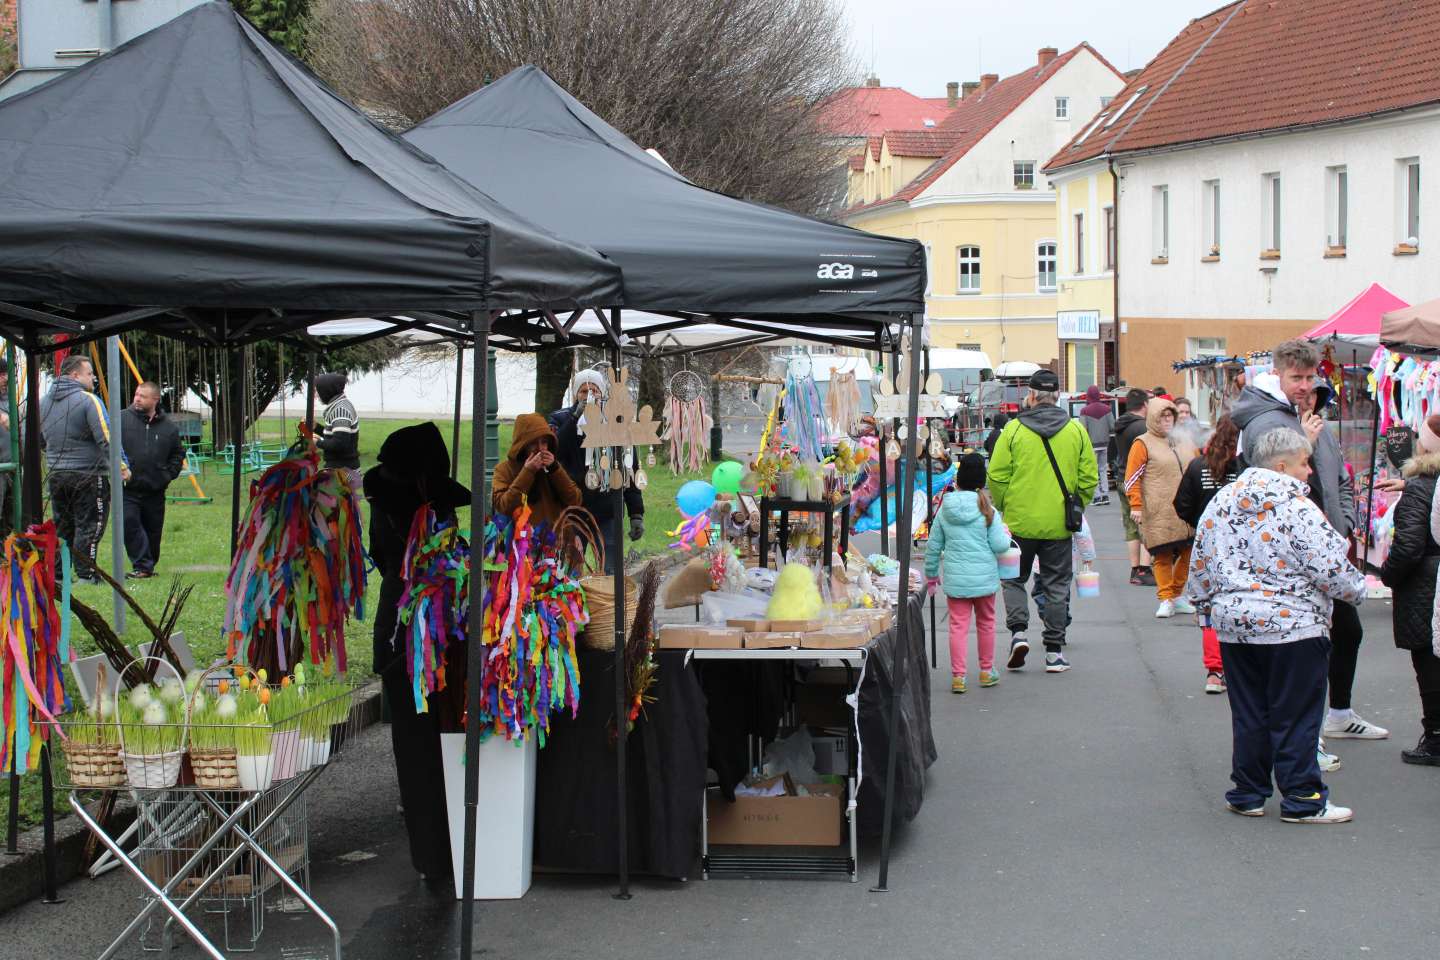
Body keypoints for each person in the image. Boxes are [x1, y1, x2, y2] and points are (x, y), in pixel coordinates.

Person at [1188, 427, 1364, 824]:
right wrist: (1357, 591)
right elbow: (1331, 568)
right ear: (1281, 465)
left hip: (1236, 625)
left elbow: (1200, 562)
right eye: (1305, 464)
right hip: (1293, 627)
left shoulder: (1222, 502)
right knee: (1296, 715)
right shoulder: (1298, 509)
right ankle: (1303, 797)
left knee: (1250, 712)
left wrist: (1206, 608)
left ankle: (1247, 792)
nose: (1309, 473)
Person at [1232, 340, 1387, 754]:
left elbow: (1341, 481)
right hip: (1286, 557)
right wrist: (1306, 441)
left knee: (1347, 632)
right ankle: (1305, 737)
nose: (1304, 386)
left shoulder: (1314, 419)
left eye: (1309, 378)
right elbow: (1272, 486)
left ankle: (1338, 715)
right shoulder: (1265, 423)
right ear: (1278, 376)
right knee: (1305, 649)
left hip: (1330, 548)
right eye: (1295, 378)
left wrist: (1347, 524)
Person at [365, 422, 472, 885]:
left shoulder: (391, 504)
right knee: (427, 742)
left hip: (412, 627)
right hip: (413, 631)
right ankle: (440, 852)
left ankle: (436, 853)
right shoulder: (416, 511)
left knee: (421, 745)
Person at [986, 369, 1097, 674]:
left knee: (1013, 579)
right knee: (1056, 584)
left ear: (1031, 396)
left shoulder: (1012, 431)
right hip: (1059, 524)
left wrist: (1007, 505)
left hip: (1019, 523)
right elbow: (1089, 477)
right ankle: (1054, 652)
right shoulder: (1076, 431)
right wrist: (1075, 505)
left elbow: (996, 475)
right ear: (1058, 396)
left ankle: (1019, 633)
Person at [1379, 414, 1440, 766]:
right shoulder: (1424, 486)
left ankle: (1435, 737)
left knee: (1429, 661)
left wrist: (1388, 575)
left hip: (1426, 586)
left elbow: (1408, 547)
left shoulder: (1420, 489)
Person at [925, 453, 1010, 694]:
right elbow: (1001, 546)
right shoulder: (988, 510)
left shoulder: (944, 510)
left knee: (958, 627)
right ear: (982, 482)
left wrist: (931, 575)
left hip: (956, 580)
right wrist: (1005, 533)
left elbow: (933, 546)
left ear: (958, 480)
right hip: (985, 580)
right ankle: (986, 671)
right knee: (986, 624)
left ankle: (958, 677)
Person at [549, 370, 644, 573]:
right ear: (576, 394)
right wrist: (576, 417)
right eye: (583, 391)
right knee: (569, 568)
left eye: (594, 390)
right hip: (573, 507)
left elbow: (630, 466)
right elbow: (555, 451)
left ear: (603, 393)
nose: (589, 395)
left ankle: (608, 603)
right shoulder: (560, 418)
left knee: (610, 569)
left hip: (607, 506)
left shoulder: (615, 421)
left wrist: (636, 512)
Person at [1174, 415, 1242, 693]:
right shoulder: (1245, 467)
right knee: (1241, 602)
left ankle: (1214, 671)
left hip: (1208, 544)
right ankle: (1238, 666)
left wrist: (1199, 523)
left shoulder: (1197, 466)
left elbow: (1181, 504)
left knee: (1209, 606)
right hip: (1242, 543)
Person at [39, 355, 118, 583]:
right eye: (89, 373)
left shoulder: (43, 402)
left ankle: (59, 574)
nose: (93, 377)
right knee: (90, 525)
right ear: (75, 375)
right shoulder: (88, 400)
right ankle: (88, 573)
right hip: (88, 474)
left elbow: (41, 439)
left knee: (63, 525)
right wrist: (121, 466)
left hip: (57, 474)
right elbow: (106, 437)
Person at [1124, 398, 1197, 619]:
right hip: (1158, 510)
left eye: (1170, 416)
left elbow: (1197, 466)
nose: (1167, 421)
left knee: (1188, 552)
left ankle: (1177, 595)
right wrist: (1136, 505)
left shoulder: (1184, 441)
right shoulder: (1142, 443)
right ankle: (1165, 598)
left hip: (1186, 509)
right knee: (1163, 554)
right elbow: (1131, 478)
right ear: (1153, 418)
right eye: (1163, 416)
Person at [119, 381, 184, 580]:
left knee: (153, 530)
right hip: (128, 488)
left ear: (155, 399)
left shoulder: (169, 427)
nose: (137, 398)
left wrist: (167, 474)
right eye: (136, 394)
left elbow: (178, 453)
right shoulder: (121, 420)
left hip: (155, 489)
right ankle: (142, 566)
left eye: (143, 396)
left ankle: (148, 564)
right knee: (129, 524)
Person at [493, 413, 582, 526]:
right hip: (520, 540)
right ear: (522, 445)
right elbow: (504, 506)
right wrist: (528, 472)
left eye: (544, 442)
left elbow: (575, 500)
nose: (540, 449)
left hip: (555, 539)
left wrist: (555, 469)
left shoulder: (553, 467)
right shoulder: (504, 470)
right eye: (533, 443)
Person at [1114, 388, 1155, 585]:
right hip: (1138, 480)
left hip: (1122, 477)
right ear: (1145, 405)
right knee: (1146, 523)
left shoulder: (1121, 424)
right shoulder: (1142, 427)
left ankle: (1134, 569)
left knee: (1130, 525)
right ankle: (1145, 570)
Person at [314, 372, 360, 487]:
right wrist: (316, 428)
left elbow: (340, 444)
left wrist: (317, 442)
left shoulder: (340, 410)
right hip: (341, 468)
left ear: (327, 391)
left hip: (343, 471)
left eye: (318, 391)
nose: (317, 395)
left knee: (325, 501)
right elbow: (336, 435)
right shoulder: (339, 406)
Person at [1078, 386, 1114, 506]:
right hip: (1105, 444)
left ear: (1088, 395)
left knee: (1093, 470)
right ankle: (1105, 495)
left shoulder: (1084, 411)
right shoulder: (1107, 409)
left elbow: (1082, 429)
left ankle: (1097, 497)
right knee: (1103, 469)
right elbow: (1112, 426)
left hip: (1091, 446)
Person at [0, 359, 13, 537]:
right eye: (1, 375)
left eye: (5, 374)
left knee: (9, 520)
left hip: (13, 467)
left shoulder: (10, 401)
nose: (5, 378)